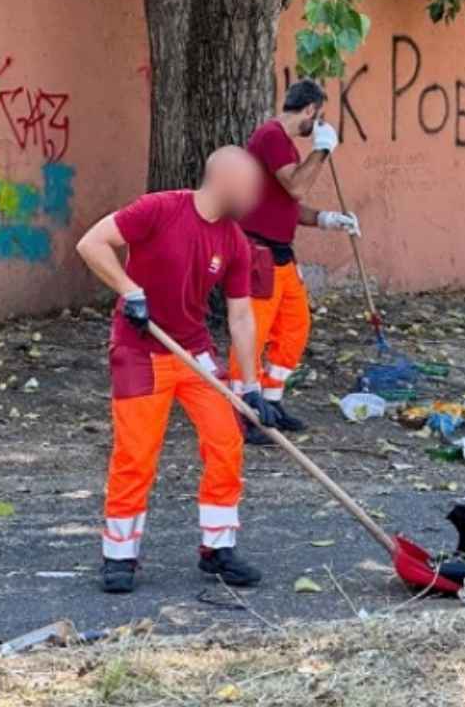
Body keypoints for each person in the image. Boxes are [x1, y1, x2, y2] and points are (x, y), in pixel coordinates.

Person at [76, 147, 280, 594]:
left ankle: (218, 549)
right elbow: (91, 243)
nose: (255, 196)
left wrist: (250, 388)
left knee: (226, 440)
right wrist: (129, 291)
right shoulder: (160, 208)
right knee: (136, 453)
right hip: (140, 351)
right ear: (223, 179)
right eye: (249, 185)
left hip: (194, 353)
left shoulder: (234, 241)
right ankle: (120, 554)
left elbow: (242, 316)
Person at [228, 79, 360, 444]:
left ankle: (271, 401)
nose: (316, 125)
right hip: (259, 253)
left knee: (294, 328)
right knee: (252, 334)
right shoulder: (270, 137)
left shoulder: (282, 144)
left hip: (282, 253)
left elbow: (288, 205)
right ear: (309, 109)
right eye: (317, 117)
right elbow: (297, 187)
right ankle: (244, 411)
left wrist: (326, 219)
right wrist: (322, 151)